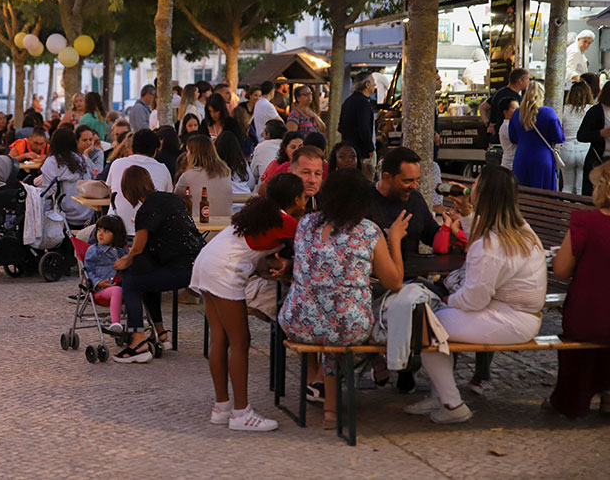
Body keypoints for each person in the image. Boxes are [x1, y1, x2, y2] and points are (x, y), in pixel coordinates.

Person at [406, 166, 547, 424]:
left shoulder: (491, 244)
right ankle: (442, 396)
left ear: (483, 195)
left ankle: (452, 404)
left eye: (475, 185)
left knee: (426, 326)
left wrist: (447, 300)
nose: (470, 188)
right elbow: (482, 241)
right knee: (435, 321)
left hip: (509, 319)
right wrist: (467, 212)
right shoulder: (521, 229)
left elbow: (474, 299)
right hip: (518, 315)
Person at [279, 169, 408, 426]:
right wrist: (395, 239)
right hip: (348, 327)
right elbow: (394, 282)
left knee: (327, 316)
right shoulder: (368, 231)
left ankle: (321, 394)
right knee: (340, 322)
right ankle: (331, 408)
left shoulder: (306, 223)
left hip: (297, 322)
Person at [191, 173, 307, 432]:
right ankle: (241, 413)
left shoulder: (261, 212)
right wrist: (288, 263)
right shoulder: (287, 222)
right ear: (298, 199)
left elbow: (258, 248)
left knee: (219, 338)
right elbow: (308, 253)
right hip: (225, 270)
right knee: (240, 341)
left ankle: (222, 408)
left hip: (206, 262)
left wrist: (282, 261)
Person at [549, 158, 610, 417]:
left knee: (593, 328)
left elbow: (561, 270)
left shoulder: (585, 222)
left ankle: (574, 398)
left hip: (587, 320)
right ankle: (609, 390)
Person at [112, 166, 204, 363]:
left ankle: (138, 342)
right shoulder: (172, 199)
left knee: (131, 283)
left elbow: (137, 248)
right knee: (145, 275)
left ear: (129, 189)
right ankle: (160, 333)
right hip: (198, 264)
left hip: (180, 269)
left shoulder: (145, 211)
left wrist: (124, 260)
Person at [105, 129, 173, 236]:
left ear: (132, 147)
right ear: (156, 150)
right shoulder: (162, 169)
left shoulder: (117, 164)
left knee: (84, 235)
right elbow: (167, 198)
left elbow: (111, 193)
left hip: (115, 231)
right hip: (150, 234)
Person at [508, 80, 565, 191]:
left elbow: (513, 138)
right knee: (543, 194)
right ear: (542, 95)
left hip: (521, 158)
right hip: (542, 158)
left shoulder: (517, 114)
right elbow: (559, 137)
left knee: (523, 194)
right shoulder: (548, 112)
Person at [577, 80, 610, 196]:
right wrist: (600, 133)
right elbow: (581, 135)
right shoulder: (596, 111)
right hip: (601, 161)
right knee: (600, 196)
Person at [40, 129, 95, 227]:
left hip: (66, 217)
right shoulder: (83, 160)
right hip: (89, 214)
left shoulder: (52, 162)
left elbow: (48, 193)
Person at [82, 215, 128, 332]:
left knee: (136, 288)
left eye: (106, 231)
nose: (100, 234)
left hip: (122, 285)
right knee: (117, 291)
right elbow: (88, 271)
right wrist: (98, 282)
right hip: (101, 290)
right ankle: (115, 322)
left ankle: (136, 323)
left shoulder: (122, 250)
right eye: (99, 230)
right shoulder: (94, 250)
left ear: (116, 234)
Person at [479, 68, 529, 166]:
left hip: (495, 141)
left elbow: (483, 107)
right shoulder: (516, 99)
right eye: (527, 79)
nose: (528, 82)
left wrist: (487, 123)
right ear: (520, 81)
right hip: (509, 142)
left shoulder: (499, 93)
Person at [174, 135, 232, 219]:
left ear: (193, 154)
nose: (186, 155)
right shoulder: (225, 172)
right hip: (226, 223)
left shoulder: (188, 176)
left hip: (201, 224)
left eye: (187, 151)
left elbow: (176, 198)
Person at [559, 81, 593, 194]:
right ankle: (578, 205)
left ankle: (564, 205)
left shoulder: (564, 109)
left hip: (567, 148)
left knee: (567, 187)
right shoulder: (591, 109)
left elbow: (560, 128)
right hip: (585, 149)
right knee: (580, 189)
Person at [338, 72, 376, 168]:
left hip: (348, 151)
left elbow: (340, 127)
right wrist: (371, 149)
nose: (375, 85)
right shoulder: (364, 104)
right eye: (373, 82)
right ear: (367, 85)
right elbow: (364, 129)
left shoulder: (347, 102)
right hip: (361, 153)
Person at [215, 131, 255, 198]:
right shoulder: (242, 162)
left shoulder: (215, 165)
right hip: (245, 198)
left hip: (225, 200)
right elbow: (251, 184)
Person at [497, 98, 519, 170]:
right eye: (514, 108)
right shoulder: (507, 126)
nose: (518, 111)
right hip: (509, 165)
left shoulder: (513, 124)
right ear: (505, 112)